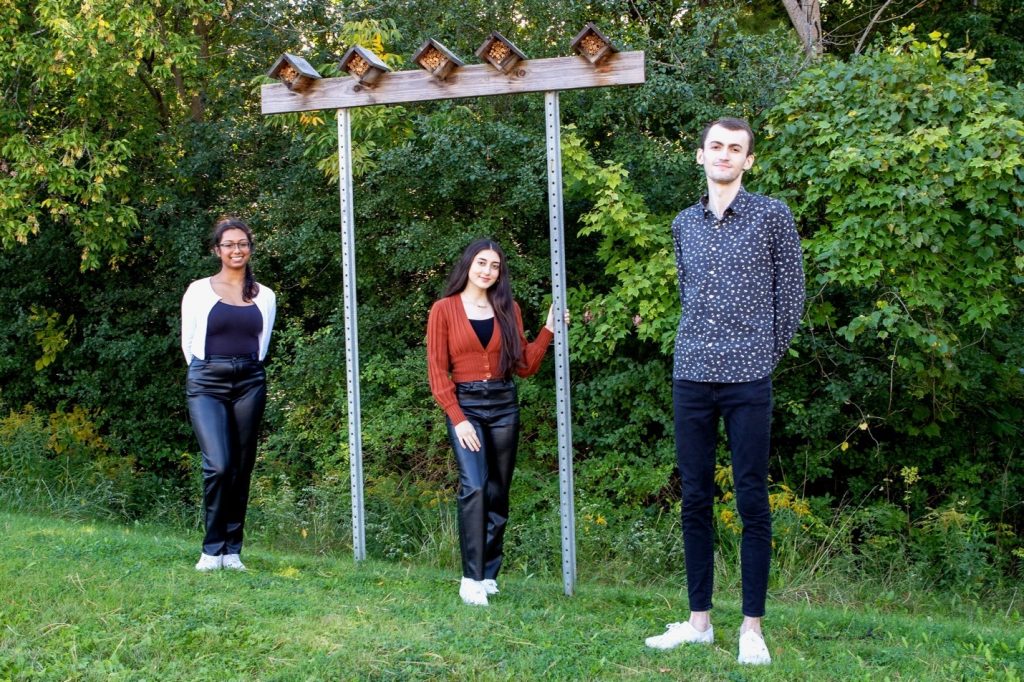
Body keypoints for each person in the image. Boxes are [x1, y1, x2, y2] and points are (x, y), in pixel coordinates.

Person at [644, 118, 804, 664]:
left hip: (748, 380)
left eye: (736, 149)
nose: (725, 155)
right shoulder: (683, 223)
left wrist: (763, 355)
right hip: (690, 375)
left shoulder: (771, 216)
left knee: (752, 500)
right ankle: (699, 622)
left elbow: (792, 297)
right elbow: (690, 292)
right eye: (717, 146)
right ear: (700, 155)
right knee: (694, 499)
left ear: (748, 161)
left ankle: (752, 629)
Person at [426, 238, 566, 606]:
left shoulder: (508, 308)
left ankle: (488, 573)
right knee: (473, 486)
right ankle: (470, 578)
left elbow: (524, 365)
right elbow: (438, 373)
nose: (487, 271)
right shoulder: (444, 309)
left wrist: (548, 329)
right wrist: (458, 419)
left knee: (498, 492)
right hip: (466, 406)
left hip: (504, 404)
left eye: (495, 266)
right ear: (468, 265)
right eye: (481, 263)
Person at [181, 216, 277, 572]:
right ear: (217, 250)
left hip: (250, 379)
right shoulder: (199, 290)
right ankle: (211, 549)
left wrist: (246, 369)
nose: (236, 250)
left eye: (242, 244)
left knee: (241, 466)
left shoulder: (264, 295)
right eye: (229, 245)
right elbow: (189, 343)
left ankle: (232, 551)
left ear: (249, 248)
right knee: (219, 465)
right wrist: (206, 373)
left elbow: (262, 344)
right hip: (207, 381)